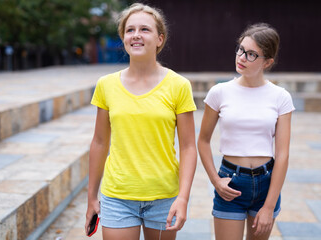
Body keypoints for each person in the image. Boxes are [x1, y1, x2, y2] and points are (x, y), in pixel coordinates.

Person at [85, 3, 197, 240]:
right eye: (130, 30)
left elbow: (188, 146)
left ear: (159, 39)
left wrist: (183, 198)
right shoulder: (106, 84)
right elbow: (99, 142)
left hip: (163, 196)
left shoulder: (179, 85)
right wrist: (91, 196)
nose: (136, 35)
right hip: (117, 195)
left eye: (145, 29)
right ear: (123, 38)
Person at [197, 23, 295, 240]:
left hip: (266, 184)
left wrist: (269, 206)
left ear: (267, 62)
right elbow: (203, 141)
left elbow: (283, 155)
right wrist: (215, 180)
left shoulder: (281, 97)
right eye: (241, 50)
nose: (241, 57)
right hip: (231, 183)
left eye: (251, 54)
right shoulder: (219, 92)